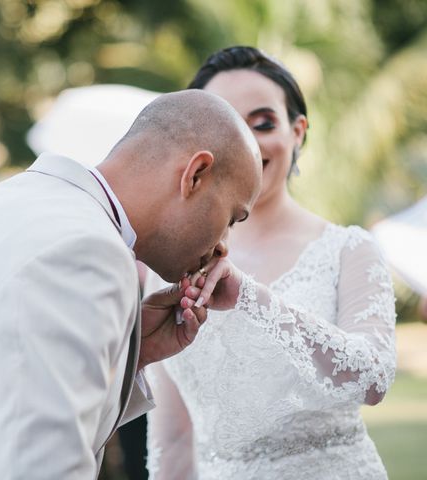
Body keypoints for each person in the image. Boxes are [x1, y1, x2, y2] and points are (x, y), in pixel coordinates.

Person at [0, 90, 263, 480]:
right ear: (196, 174)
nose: (224, 248)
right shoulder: (87, 250)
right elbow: (45, 466)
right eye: (232, 217)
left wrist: (131, 356)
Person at [145, 46, 397, 480]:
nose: (243, 142)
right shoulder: (168, 262)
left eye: (262, 123)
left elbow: (373, 378)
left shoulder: (349, 250)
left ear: (297, 132)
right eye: (223, 124)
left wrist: (249, 299)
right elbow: (173, 439)